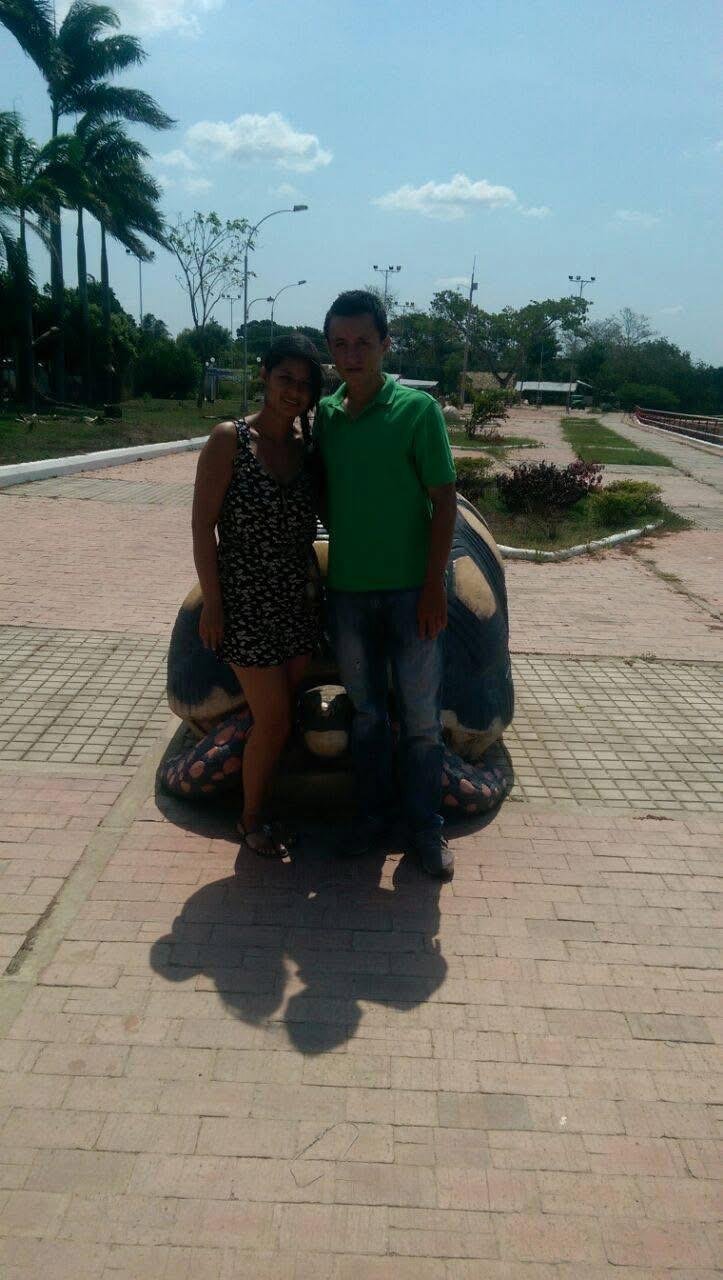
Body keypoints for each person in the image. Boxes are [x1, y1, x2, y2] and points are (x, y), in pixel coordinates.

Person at [315, 290, 458, 879]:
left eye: (364, 343)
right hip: (348, 593)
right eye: (340, 344)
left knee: (421, 719)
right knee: (368, 715)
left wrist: (434, 586)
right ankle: (372, 817)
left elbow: (444, 501)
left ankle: (425, 827)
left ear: (385, 345)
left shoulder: (417, 412)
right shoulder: (326, 416)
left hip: (411, 594)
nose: (352, 355)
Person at [191, 333, 322, 859]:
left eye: (305, 383)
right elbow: (203, 526)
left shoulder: (306, 451)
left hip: (298, 601)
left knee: (283, 717)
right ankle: (250, 820)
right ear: (264, 375)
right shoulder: (229, 439)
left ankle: (268, 804)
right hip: (246, 604)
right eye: (285, 377)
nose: (294, 390)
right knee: (273, 718)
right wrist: (213, 602)